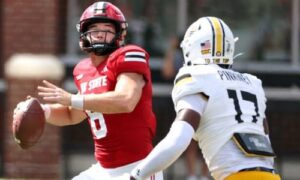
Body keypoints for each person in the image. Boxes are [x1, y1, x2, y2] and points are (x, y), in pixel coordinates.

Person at [13, 2, 163, 180]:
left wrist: (72, 99)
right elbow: (72, 115)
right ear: (84, 34)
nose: (100, 33)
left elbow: (125, 100)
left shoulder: (128, 55)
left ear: (120, 34)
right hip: (103, 170)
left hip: (137, 167)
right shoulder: (83, 70)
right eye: (93, 28)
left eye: (107, 27)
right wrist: (42, 111)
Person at [129, 16, 281, 180]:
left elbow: (177, 140)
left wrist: (137, 174)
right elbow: (264, 140)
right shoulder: (252, 83)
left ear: (193, 47)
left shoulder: (198, 76)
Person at [162, 35, 210, 180]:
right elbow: (167, 72)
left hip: (207, 100)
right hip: (186, 101)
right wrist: (171, 47)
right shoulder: (179, 56)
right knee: (188, 138)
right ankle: (191, 176)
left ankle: (205, 176)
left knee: (208, 138)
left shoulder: (207, 57)